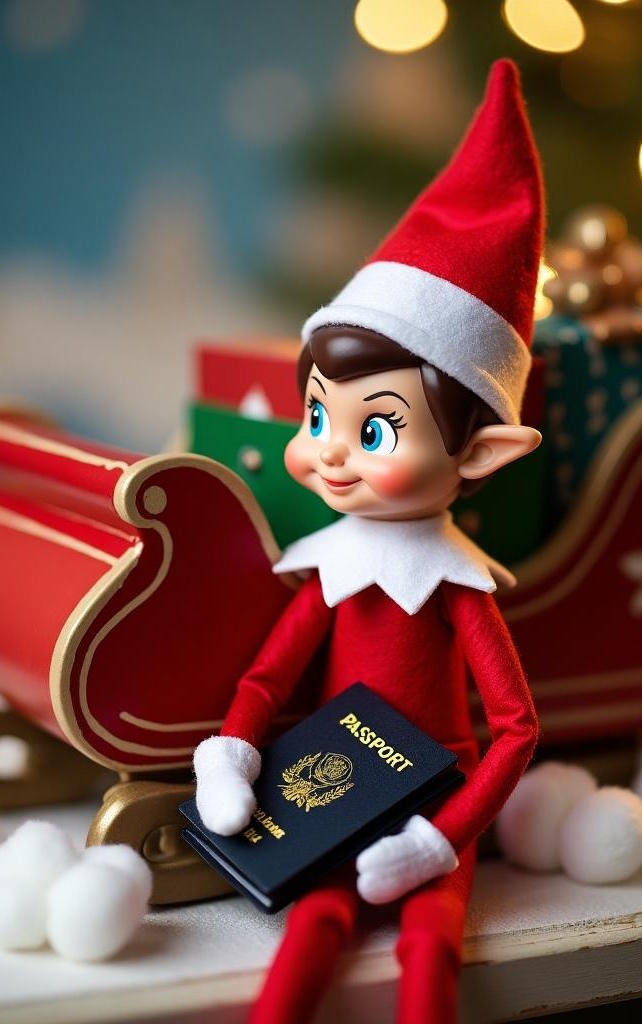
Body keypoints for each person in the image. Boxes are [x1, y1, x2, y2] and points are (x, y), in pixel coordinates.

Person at [193, 59, 543, 1024]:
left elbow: (514, 728)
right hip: (328, 788)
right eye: (319, 416)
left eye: (375, 429)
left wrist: (444, 836)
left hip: (435, 799)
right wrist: (230, 749)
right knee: (312, 927)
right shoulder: (334, 569)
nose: (331, 456)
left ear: (483, 455)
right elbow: (271, 678)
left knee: (433, 947)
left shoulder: (456, 586)